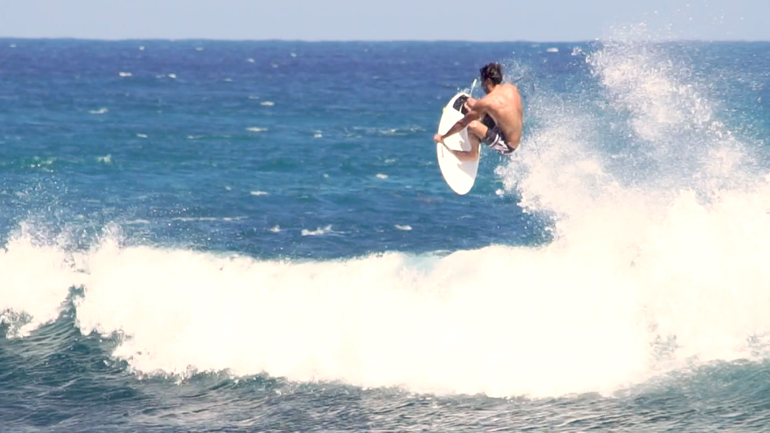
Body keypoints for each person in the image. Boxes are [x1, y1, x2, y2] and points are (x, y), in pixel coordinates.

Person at [433, 63, 523, 160]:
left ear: (488, 81)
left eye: (482, 82)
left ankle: (472, 155)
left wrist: (443, 137)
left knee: (472, 125)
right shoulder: (511, 88)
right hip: (510, 130)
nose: (482, 85)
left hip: (508, 145)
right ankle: (479, 117)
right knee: (470, 102)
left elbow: (462, 123)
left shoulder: (488, 101)